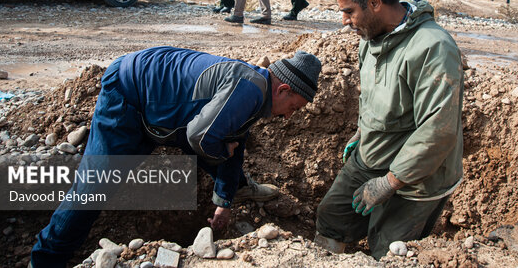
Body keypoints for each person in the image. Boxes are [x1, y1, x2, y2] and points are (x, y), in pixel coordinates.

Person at [30, 46, 321, 267]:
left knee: (224, 144)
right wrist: (222, 150)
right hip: (128, 93)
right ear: (283, 89)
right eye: (293, 107)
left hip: (157, 103)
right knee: (95, 188)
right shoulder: (249, 90)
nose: (288, 116)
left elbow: (235, 141)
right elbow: (199, 136)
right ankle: (45, 259)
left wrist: (225, 201)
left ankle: (237, 190)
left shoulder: (257, 90)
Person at [315, 0, 463, 260]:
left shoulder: (432, 48)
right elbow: (374, 97)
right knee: (332, 217)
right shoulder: (369, 39)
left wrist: (390, 182)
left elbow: (439, 130)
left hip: (419, 176)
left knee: (387, 247)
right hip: (374, 155)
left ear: (374, 2)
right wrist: (362, 131)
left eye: (348, 12)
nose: (344, 21)